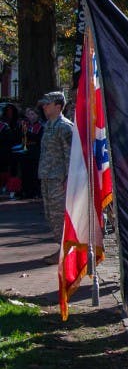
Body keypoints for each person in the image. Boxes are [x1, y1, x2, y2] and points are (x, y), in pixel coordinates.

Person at [37, 92, 74, 264]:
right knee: (51, 215)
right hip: (48, 177)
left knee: (59, 216)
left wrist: (68, 179)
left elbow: (70, 155)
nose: (44, 107)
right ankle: (62, 249)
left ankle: (66, 253)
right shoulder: (49, 125)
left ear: (58, 106)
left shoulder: (65, 127)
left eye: (47, 104)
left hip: (59, 180)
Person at [19, 106, 43, 199]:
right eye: (29, 114)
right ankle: (26, 191)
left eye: (33, 114)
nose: (30, 116)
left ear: (37, 115)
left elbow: (38, 139)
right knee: (25, 172)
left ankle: (35, 192)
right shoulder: (25, 126)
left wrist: (28, 134)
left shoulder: (41, 126)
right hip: (26, 152)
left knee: (34, 173)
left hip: (35, 152)